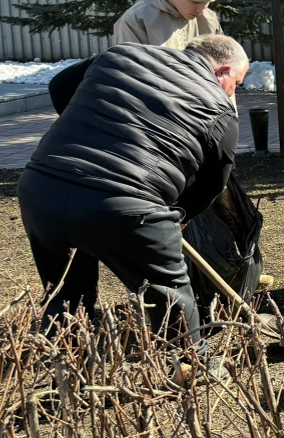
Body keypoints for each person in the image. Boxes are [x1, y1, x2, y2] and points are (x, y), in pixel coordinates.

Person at [19, 36, 250, 343]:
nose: (235, 91)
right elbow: (212, 182)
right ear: (223, 70)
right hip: (125, 204)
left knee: (65, 295)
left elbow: (59, 87)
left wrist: (98, 131)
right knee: (169, 295)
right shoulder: (220, 109)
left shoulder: (122, 55)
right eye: (238, 82)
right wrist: (181, 215)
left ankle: (66, 374)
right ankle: (190, 370)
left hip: (42, 188)